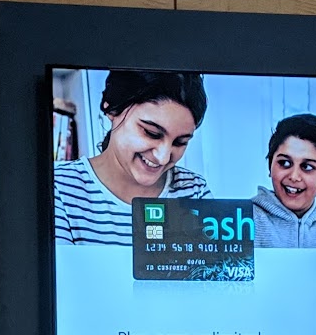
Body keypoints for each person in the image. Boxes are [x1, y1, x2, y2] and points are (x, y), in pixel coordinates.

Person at [54, 69, 211, 244]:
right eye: (151, 133)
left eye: (180, 142)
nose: (163, 158)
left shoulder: (194, 190)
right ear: (112, 108)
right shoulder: (59, 186)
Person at [253, 113, 316, 248]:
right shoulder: (244, 219)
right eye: (284, 163)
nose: (294, 176)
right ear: (270, 167)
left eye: (307, 167)